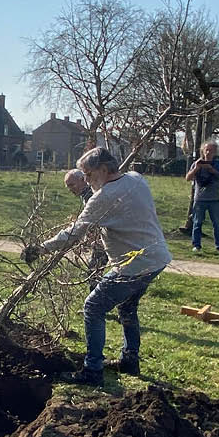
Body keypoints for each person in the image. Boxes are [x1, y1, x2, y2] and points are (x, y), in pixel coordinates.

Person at [23, 147, 171, 385]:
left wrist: (40, 248)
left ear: (103, 170)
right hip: (157, 257)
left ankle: (92, 371)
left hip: (135, 263)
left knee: (93, 307)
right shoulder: (135, 178)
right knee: (127, 307)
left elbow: (73, 234)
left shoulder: (104, 196)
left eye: (89, 175)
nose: (87, 181)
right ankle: (129, 360)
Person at [64, 168, 108, 288]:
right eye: (68, 187)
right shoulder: (87, 194)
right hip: (102, 237)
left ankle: (96, 303)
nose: (70, 189)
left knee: (93, 273)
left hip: (106, 238)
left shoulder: (90, 194)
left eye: (72, 185)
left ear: (82, 180)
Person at [185, 140, 219, 255]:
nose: (208, 152)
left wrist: (212, 170)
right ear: (203, 151)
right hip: (200, 199)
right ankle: (196, 245)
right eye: (206, 150)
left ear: (215, 152)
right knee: (197, 223)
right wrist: (196, 168)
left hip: (214, 199)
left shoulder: (218, 164)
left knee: (217, 224)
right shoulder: (197, 163)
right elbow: (188, 178)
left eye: (211, 150)